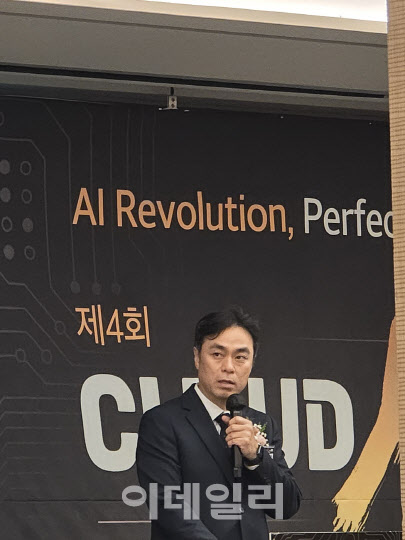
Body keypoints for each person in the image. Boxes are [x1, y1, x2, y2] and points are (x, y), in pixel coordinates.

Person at [136, 307, 301, 539]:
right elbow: (167, 505)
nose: (229, 367)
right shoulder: (162, 422)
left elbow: (286, 505)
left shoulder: (262, 423)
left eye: (240, 357)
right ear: (197, 357)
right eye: (217, 354)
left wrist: (255, 457)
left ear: (252, 363)